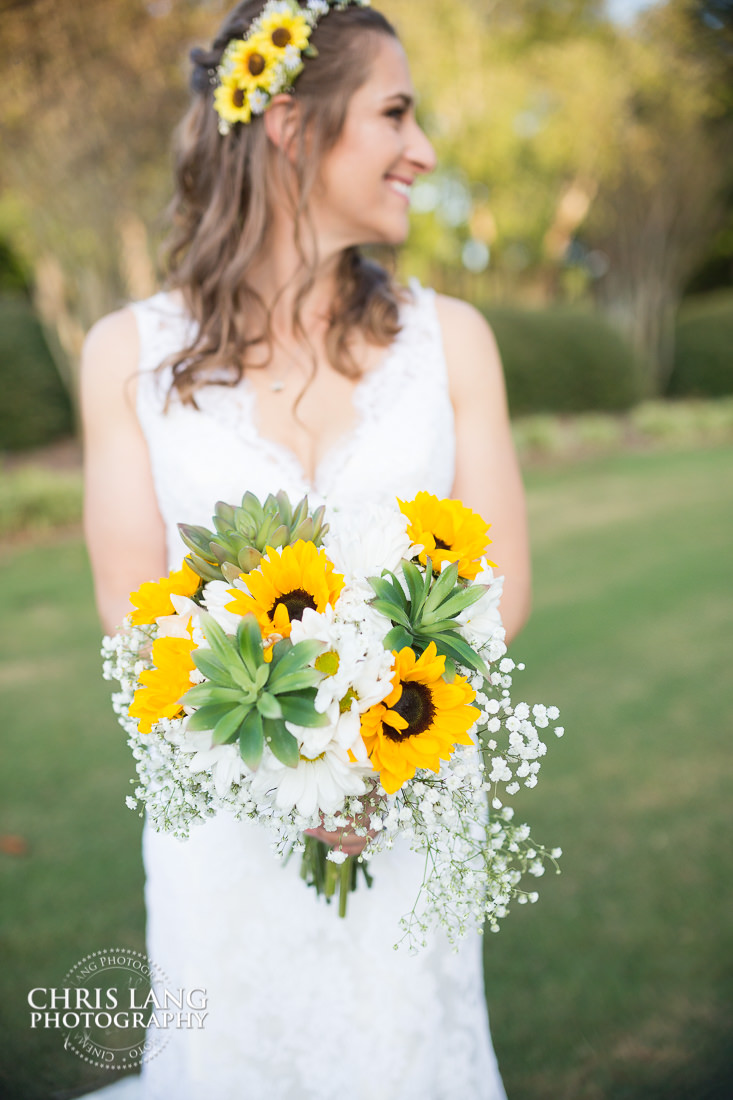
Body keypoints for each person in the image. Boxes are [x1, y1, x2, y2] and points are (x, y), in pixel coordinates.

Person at [81, 1, 530, 1097]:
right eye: (395, 113)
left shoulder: (452, 341)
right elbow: (136, 616)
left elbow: (500, 583)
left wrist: (373, 752)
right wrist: (293, 762)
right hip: (226, 844)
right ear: (289, 127)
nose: (423, 151)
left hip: (409, 802)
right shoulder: (127, 354)